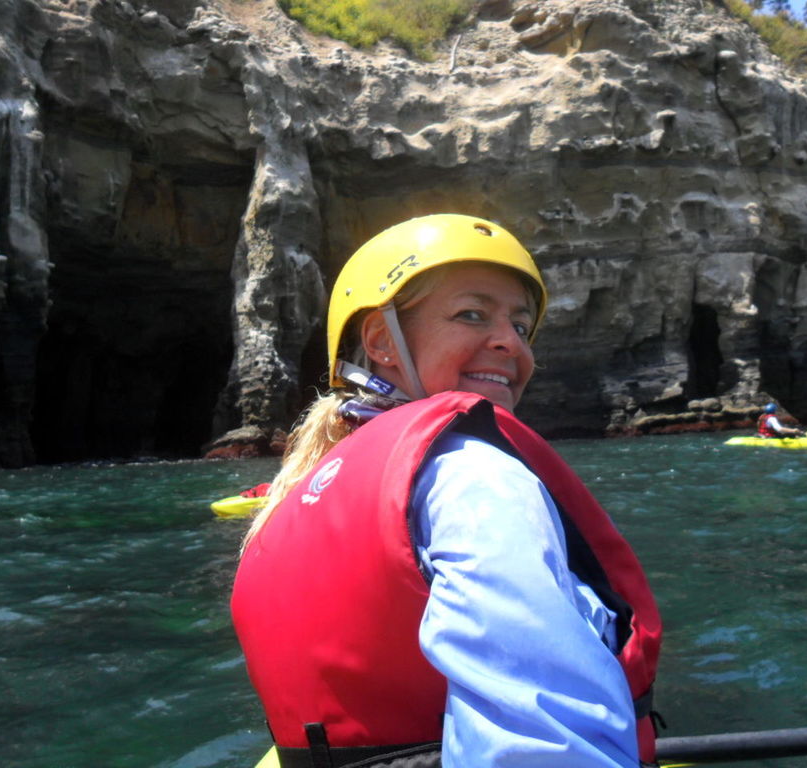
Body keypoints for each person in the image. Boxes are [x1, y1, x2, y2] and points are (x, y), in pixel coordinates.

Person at [231, 214, 662, 768]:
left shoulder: (294, 499)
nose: (511, 342)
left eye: (521, 326)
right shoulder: (473, 474)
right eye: (473, 314)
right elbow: (538, 738)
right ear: (383, 341)